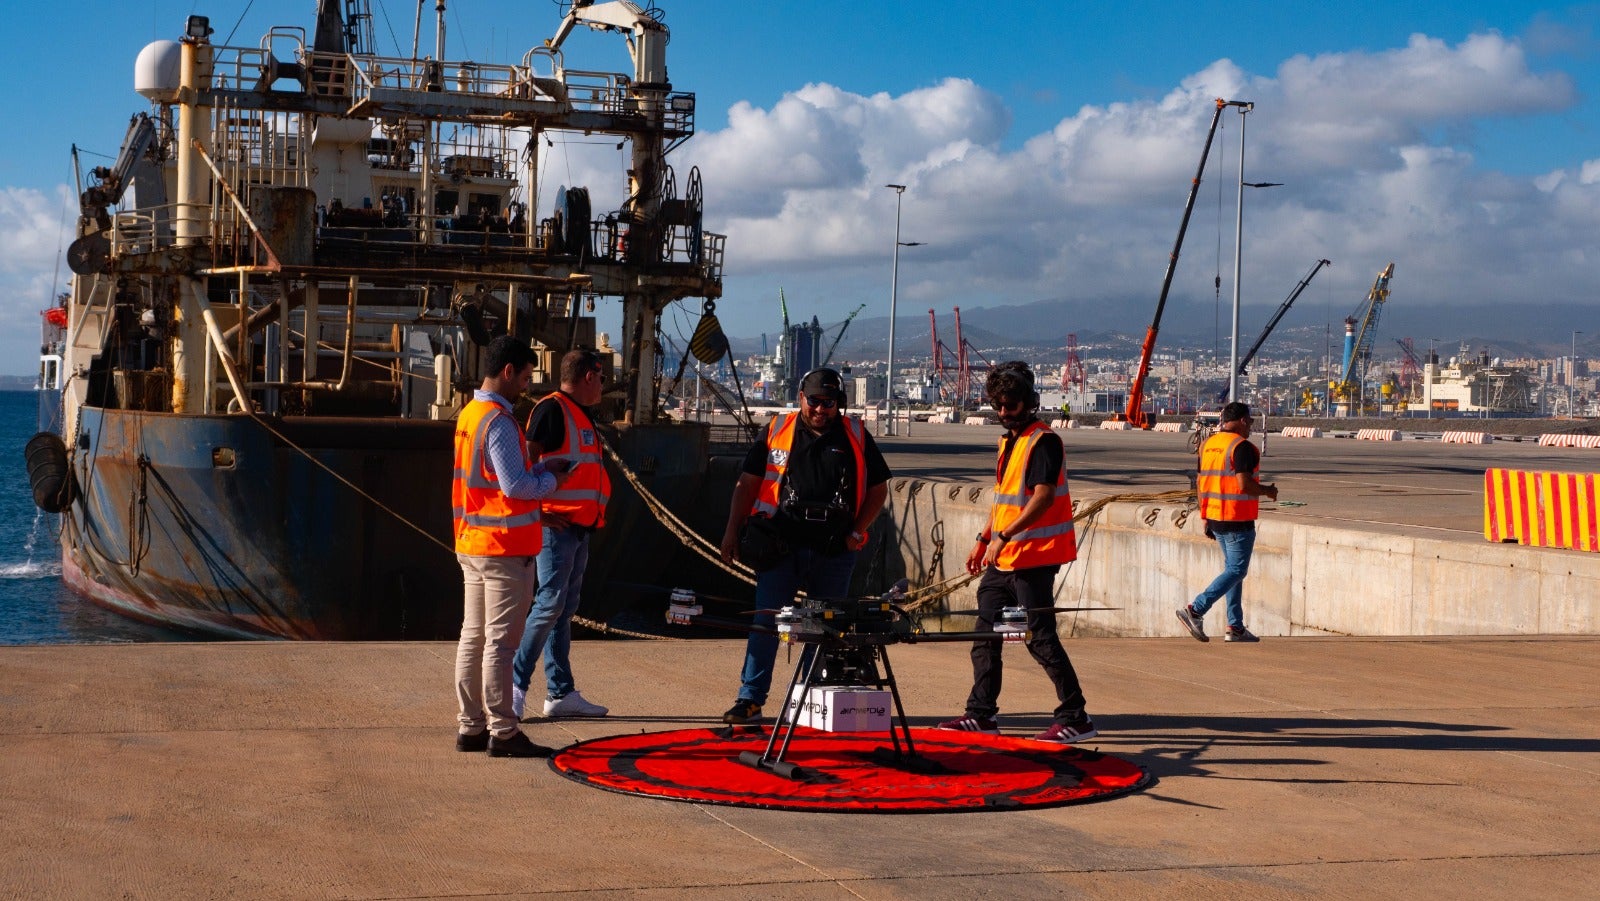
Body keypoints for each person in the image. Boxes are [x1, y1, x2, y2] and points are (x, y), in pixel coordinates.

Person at [717, 368, 891, 724]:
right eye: (814, 401)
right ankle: (750, 699)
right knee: (766, 624)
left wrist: (857, 532)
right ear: (801, 398)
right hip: (780, 546)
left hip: (834, 550)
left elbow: (878, 489)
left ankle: (810, 700)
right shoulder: (777, 431)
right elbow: (747, 484)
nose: (821, 409)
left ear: (838, 404)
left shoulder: (855, 435)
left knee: (824, 630)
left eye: (829, 403)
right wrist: (731, 532)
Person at [938, 362, 1097, 744]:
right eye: (999, 405)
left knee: (1039, 638)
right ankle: (981, 714)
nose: (1004, 412)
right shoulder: (1008, 441)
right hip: (1005, 555)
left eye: (1011, 405)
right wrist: (984, 538)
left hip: (1035, 556)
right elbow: (1004, 500)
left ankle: (1076, 716)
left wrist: (1003, 535)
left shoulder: (1043, 441)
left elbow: (1042, 499)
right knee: (984, 635)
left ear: (1028, 402)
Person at [452, 335, 565, 758]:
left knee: (472, 638)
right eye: (525, 375)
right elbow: (514, 485)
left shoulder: (469, 415)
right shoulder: (499, 421)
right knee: (500, 644)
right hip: (503, 548)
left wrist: (536, 468)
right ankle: (503, 732)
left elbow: (489, 476)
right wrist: (552, 480)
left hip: (472, 541)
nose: (526, 384)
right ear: (508, 371)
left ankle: (471, 727)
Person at [511, 349, 612, 719]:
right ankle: (514, 686)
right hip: (557, 526)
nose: (603, 385)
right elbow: (525, 460)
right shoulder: (553, 410)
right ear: (589, 375)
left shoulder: (579, 413)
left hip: (578, 528)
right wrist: (536, 513)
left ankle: (560, 693)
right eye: (601, 378)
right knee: (549, 604)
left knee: (562, 611)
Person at [1176, 401, 1279, 643]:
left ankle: (1235, 626)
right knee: (1236, 570)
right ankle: (1195, 610)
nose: (1251, 427)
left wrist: (1204, 516)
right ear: (1243, 420)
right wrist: (1268, 491)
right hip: (1236, 517)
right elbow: (1244, 485)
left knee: (1233, 572)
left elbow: (1201, 483)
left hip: (1215, 517)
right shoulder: (1241, 447)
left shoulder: (1207, 444)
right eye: (1251, 422)